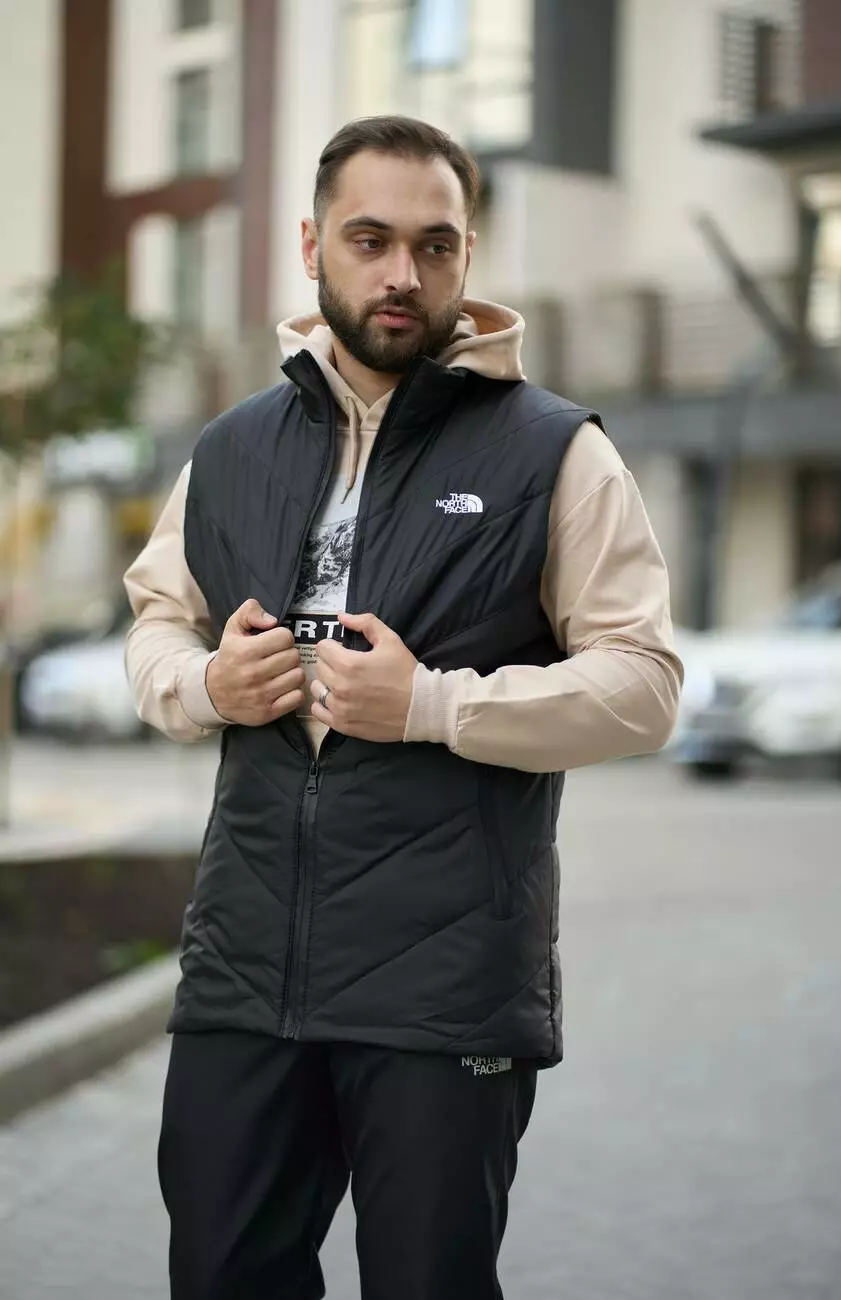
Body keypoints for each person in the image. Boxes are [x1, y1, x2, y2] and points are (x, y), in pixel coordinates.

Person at [124, 115, 682, 1300]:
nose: (402, 275)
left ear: (468, 256)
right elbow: (155, 625)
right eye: (370, 240)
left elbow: (644, 685)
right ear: (312, 244)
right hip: (243, 970)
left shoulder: (556, 452)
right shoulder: (230, 449)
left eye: (436, 246)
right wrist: (207, 685)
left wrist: (431, 705)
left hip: (444, 986)